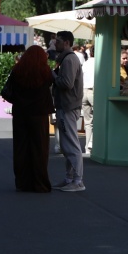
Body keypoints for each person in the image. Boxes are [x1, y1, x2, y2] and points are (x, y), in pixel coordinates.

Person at [6, 45, 55, 192]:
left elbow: (9, 89)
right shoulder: (45, 71)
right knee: (40, 148)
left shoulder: (17, 70)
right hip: (39, 114)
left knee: (21, 147)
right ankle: (40, 183)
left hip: (20, 113)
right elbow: (51, 83)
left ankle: (22, 182)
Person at [51, 31, 85, 192]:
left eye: (58, 41)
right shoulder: (68, 59)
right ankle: (70, 178)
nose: (55, 43)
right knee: (67, 145)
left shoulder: (69, 59)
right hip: (67, 106)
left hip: (68, 106)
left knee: (71, 144)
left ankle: (77, 180)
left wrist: (53, 76)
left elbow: (67, 83)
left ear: (66, 42)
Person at [81, 45, 95, 157]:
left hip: (84, 91)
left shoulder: (85, 63)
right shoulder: (100, 63)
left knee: (87, 122)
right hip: (94, 91)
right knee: (98, 119)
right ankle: (91, 142)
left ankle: (87, 148)